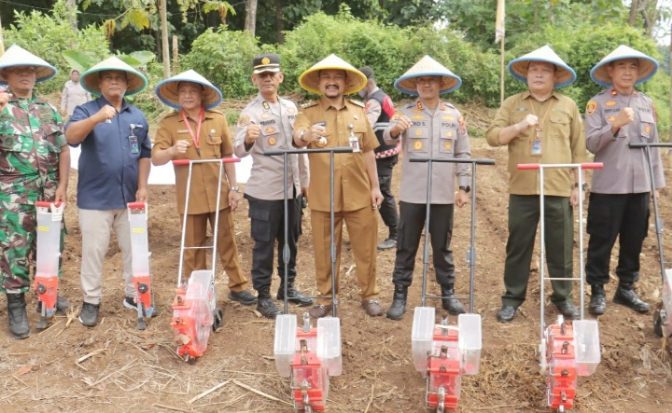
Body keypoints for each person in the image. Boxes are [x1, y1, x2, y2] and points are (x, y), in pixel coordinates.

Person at [486, 45, 588, 323]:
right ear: (526, 75)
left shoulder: (568, 105)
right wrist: (519, 126)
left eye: (545, 71)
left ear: (556, 76)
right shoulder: (512, 103)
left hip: (558, 189)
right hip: (523, 189)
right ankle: (511, 299)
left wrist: (579, 186)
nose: (539, 75)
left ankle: (562, 297)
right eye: (534, 70)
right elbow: (493, 137)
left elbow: (579, 150)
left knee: (562, 246)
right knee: (518, 246)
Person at [152, 69, 257, 311]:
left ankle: (238, 287)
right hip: (189, 197)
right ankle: (196, 291)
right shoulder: (169, 124)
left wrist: (234, 188)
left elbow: (227, 156)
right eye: (183, 91)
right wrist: (170, 152)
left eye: (192, 91)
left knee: (227, 242)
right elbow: (156, 158)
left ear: (202, 95)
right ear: (178, 96)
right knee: (193, 246)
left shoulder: (217, 119)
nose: (187, 95)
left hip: (219, 194)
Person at [292, 54, 384, 318]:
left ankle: (370, 295)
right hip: (323, 196)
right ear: (319, 84)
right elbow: (298, 137)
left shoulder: (359, 112)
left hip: (359, 194)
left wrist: (375, 187)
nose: (331, 83)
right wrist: (305, 136)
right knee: (324, 251)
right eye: (326, 78)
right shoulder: (307, 113)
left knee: (366, 249)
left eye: (337, 78)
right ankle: (325, 299)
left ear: (345, 83)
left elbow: (368, 152)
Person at [382, 55, 471, 320]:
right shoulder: (406, 113)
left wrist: (463, 187)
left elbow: (463, 153)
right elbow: (387, 136)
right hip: (413, 194)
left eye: (431, 80)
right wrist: (396, 128)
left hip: (443, 194)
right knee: (406, 245)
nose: (426, 85)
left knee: (442, 247)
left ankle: (448, 294)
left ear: (441, 84)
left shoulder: (454, 115)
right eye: (421, 80)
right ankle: (400, 296)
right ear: (415, 85)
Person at [65, 56, 152, 327]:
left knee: (135, 250)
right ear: (99, 84)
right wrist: (96, 118)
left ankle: (134, 295)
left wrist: (143, 187)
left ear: (127, 83)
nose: (114, 81)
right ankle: (91, 301)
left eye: (119, 77)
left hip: (130, 198)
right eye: (108, 77)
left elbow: (145, 154)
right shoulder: (85, 110)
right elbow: (71, 137)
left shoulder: (137, 116)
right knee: (93, 251)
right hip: (95, 198)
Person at [584, 45, 665, 315]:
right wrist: (615, 124)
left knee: (634, 239)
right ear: (610, 71)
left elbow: (653, 146)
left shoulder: (646, 104)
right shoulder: (597, 104)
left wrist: (655, 186)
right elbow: (592, 142)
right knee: (601, 240)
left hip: (640, 186)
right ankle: (597, 290)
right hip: (609, 186)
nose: (628, 72)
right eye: (622, 67)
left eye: (632, 67)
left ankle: (626, 288)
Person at [233, 54, 313, 319]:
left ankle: (288, 288)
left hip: (292, 191)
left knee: (290, 241)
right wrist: (246, 139)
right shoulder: (250, 113)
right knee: (264, 245)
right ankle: (264, 295)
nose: (267, 79)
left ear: (280, 78)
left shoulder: (291, 108)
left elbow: (300, 150)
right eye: (262, 75)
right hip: (265, 192)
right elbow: (237, 150)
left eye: (272, 74)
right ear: (254, 80)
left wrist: (304, 185)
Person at [0, 44, 70, 339]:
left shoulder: (48, 109)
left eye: (29, 70)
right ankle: (16, 306)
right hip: (13, 194)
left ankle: (47, 294)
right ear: (7, 75)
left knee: (50, 246)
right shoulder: (1, 107)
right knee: (14, 250)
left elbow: (64, 149)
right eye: (18, 70)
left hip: (49, 190)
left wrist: (64, 185)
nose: (25, 74)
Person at [358, 66, 400, 250]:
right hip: (388, 150)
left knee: (382, 192)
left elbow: (365, 126)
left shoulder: (374, 101)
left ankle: (396, 234)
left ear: (367, 82)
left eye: (359, 85)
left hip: (382, 153)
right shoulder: (383, 96)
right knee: (381, 191)